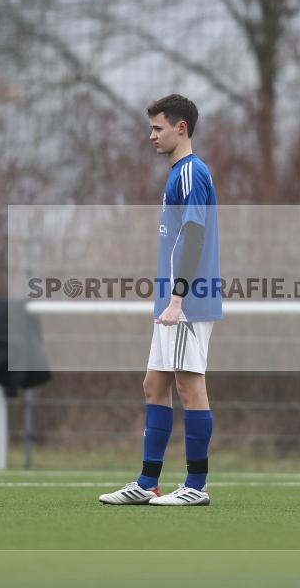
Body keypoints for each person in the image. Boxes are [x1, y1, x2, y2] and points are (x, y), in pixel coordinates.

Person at [99, 94, 221, 506]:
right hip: (172, 301)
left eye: (157, 127)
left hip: (186, 302)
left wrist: (178, 299)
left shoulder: (190, 172)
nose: (150, 135)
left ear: (180, 128)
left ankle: (196, 485)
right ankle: (148, 481)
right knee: (154, 385)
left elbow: (194, 235)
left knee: (190, 387)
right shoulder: (177, 174)